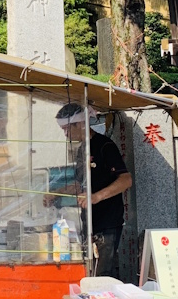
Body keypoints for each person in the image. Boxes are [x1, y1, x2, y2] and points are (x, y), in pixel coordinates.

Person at [51, 102, 132, 278]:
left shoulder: (105, 146)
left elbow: (126, 180)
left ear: (80, 124)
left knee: (102, 274)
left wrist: (96, 197)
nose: (65, 134)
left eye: (67, 129)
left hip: (107, 223)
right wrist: (56, 193)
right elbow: (81, 184)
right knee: (89, 272)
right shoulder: (82, 149)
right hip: (88, 222)